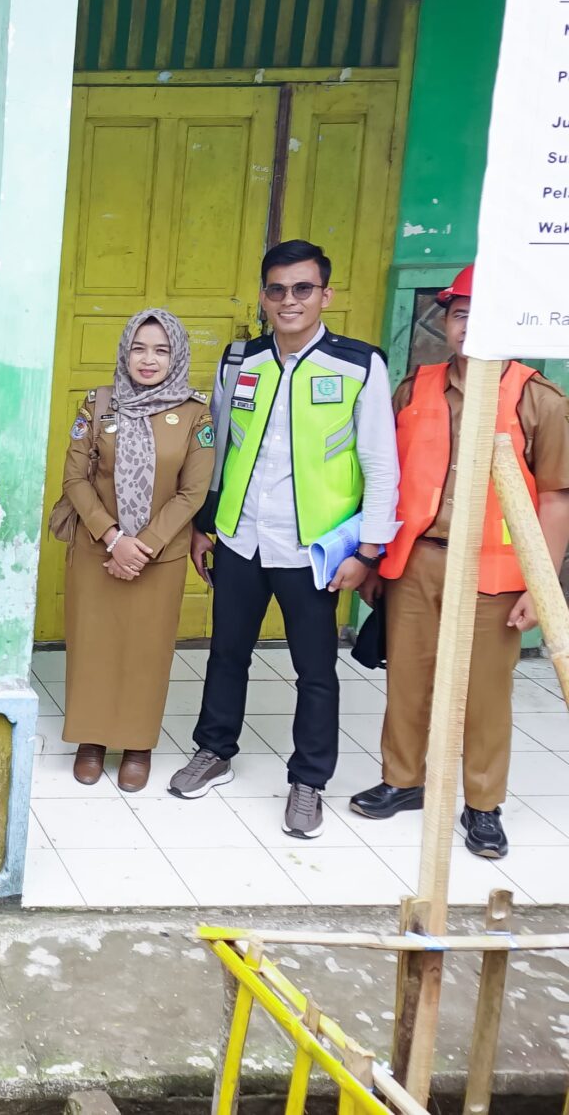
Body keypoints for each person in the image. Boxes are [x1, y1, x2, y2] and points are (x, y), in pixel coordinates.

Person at [172, 240, 400, 840]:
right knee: (226, 653)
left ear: (325, 294)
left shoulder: (358, 366)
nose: (289, 300)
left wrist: (368, 551)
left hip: (314, 550)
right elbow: (218, 449)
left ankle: (309, 781)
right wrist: (204, 526)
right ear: (263, 296)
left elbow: (381, 464)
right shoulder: (239, 360)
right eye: (277, 289)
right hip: (241, 538)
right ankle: (214, 750)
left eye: (303, 288)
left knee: (315, 670)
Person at [350, 265, 569, 858]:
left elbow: (555, 499)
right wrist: (377, 561)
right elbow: (386, 479)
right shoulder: (414, 388)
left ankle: (482, 805)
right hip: (416, 561)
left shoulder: (537, 399)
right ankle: (403, 780)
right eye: (460, 314)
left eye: (483, 314)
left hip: (493, 572)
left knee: (485, 694)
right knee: (408, 681)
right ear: (447, 322)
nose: (470, 326)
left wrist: (541, 586)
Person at [60, 310, 215, 792]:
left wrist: (142, 546)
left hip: (158, 557)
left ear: (177, 356)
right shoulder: (99, 403)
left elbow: (192, 492)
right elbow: (75, 479)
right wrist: (113, 538)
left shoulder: (195, 413)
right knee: (92, 645)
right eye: (139, 348)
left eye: (161, 350)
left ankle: (137, 745)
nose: (148, 359)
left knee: (146, 651)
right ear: (125, 351)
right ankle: (90, 739)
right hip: (97, 549)